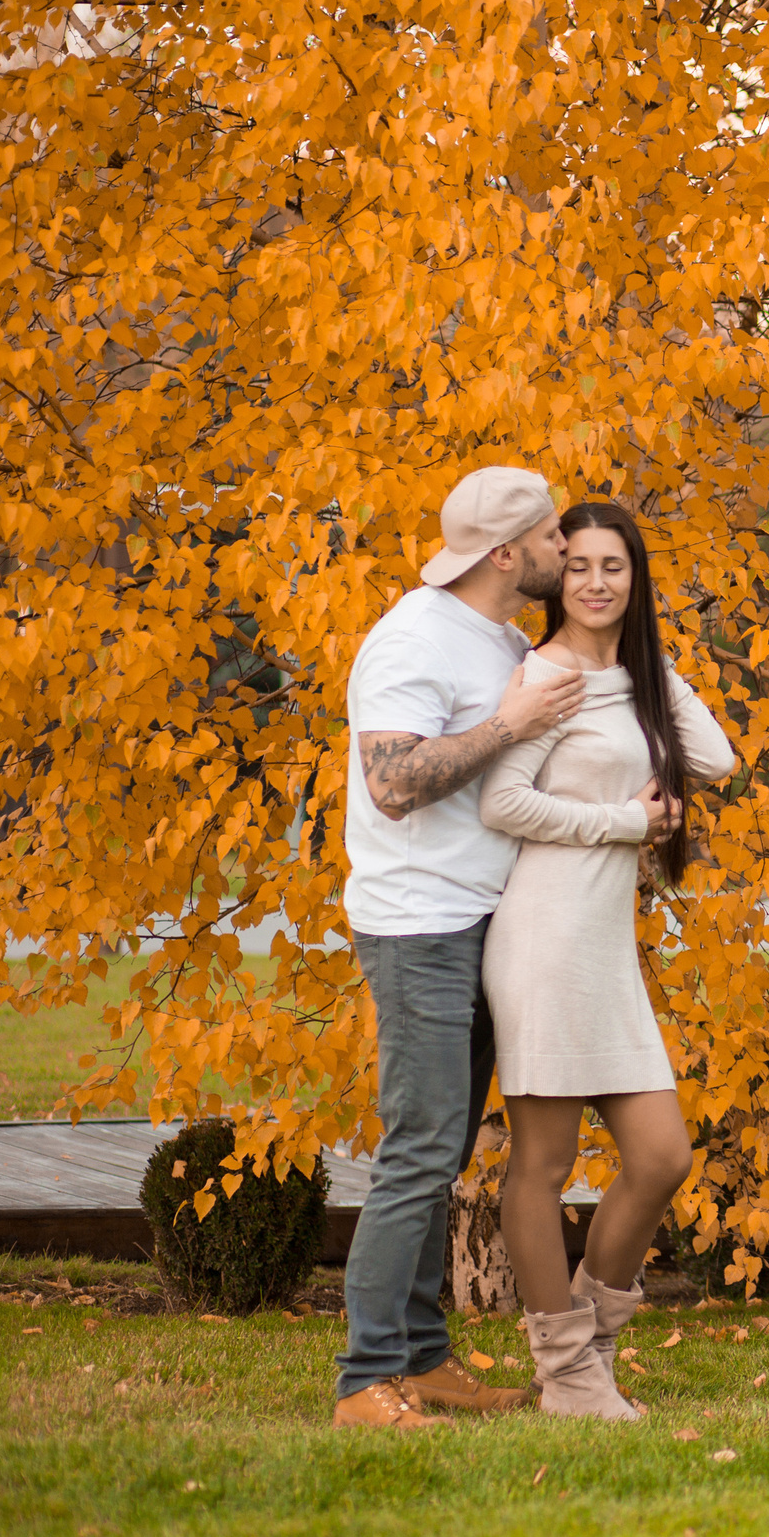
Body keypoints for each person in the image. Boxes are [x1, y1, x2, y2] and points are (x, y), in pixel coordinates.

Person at [334, 466, 583, 1430]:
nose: (566, 549)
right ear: (507, 552)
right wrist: (506, 725)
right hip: (418, 924)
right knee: (420, 1146)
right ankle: (365, 1380)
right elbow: (394, 783)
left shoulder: (503, 637)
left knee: (440, 1150)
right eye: (555, 535)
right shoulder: (411, 638)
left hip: (479, 919)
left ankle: (424, 1359)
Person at [480, 502, 735, 1419]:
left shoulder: (630, 676)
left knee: (663, 1155)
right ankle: (568, 1371)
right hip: (543, 939)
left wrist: (643, 662)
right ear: (559, 574)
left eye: (614, 567)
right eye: (578, 564)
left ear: (636, 577)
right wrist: (625, 822)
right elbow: (502, 803)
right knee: (541, 1167)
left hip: (603, 951)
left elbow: (717, 757)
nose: (594, 582)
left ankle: (586, 1341)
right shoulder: (543, 677)